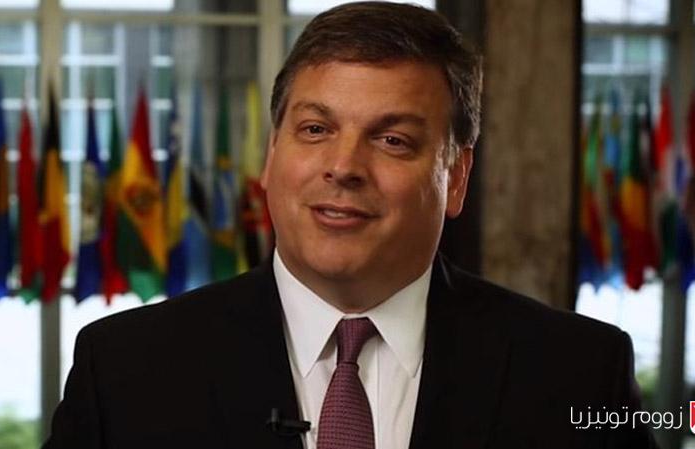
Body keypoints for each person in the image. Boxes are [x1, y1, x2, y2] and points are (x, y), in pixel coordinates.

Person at [44, 2, 657, 448]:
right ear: (271, 155)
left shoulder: (581, 374)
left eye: (392, 140)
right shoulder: (123, 369)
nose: (343, 167)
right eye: (315, 130)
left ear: (456, 176)